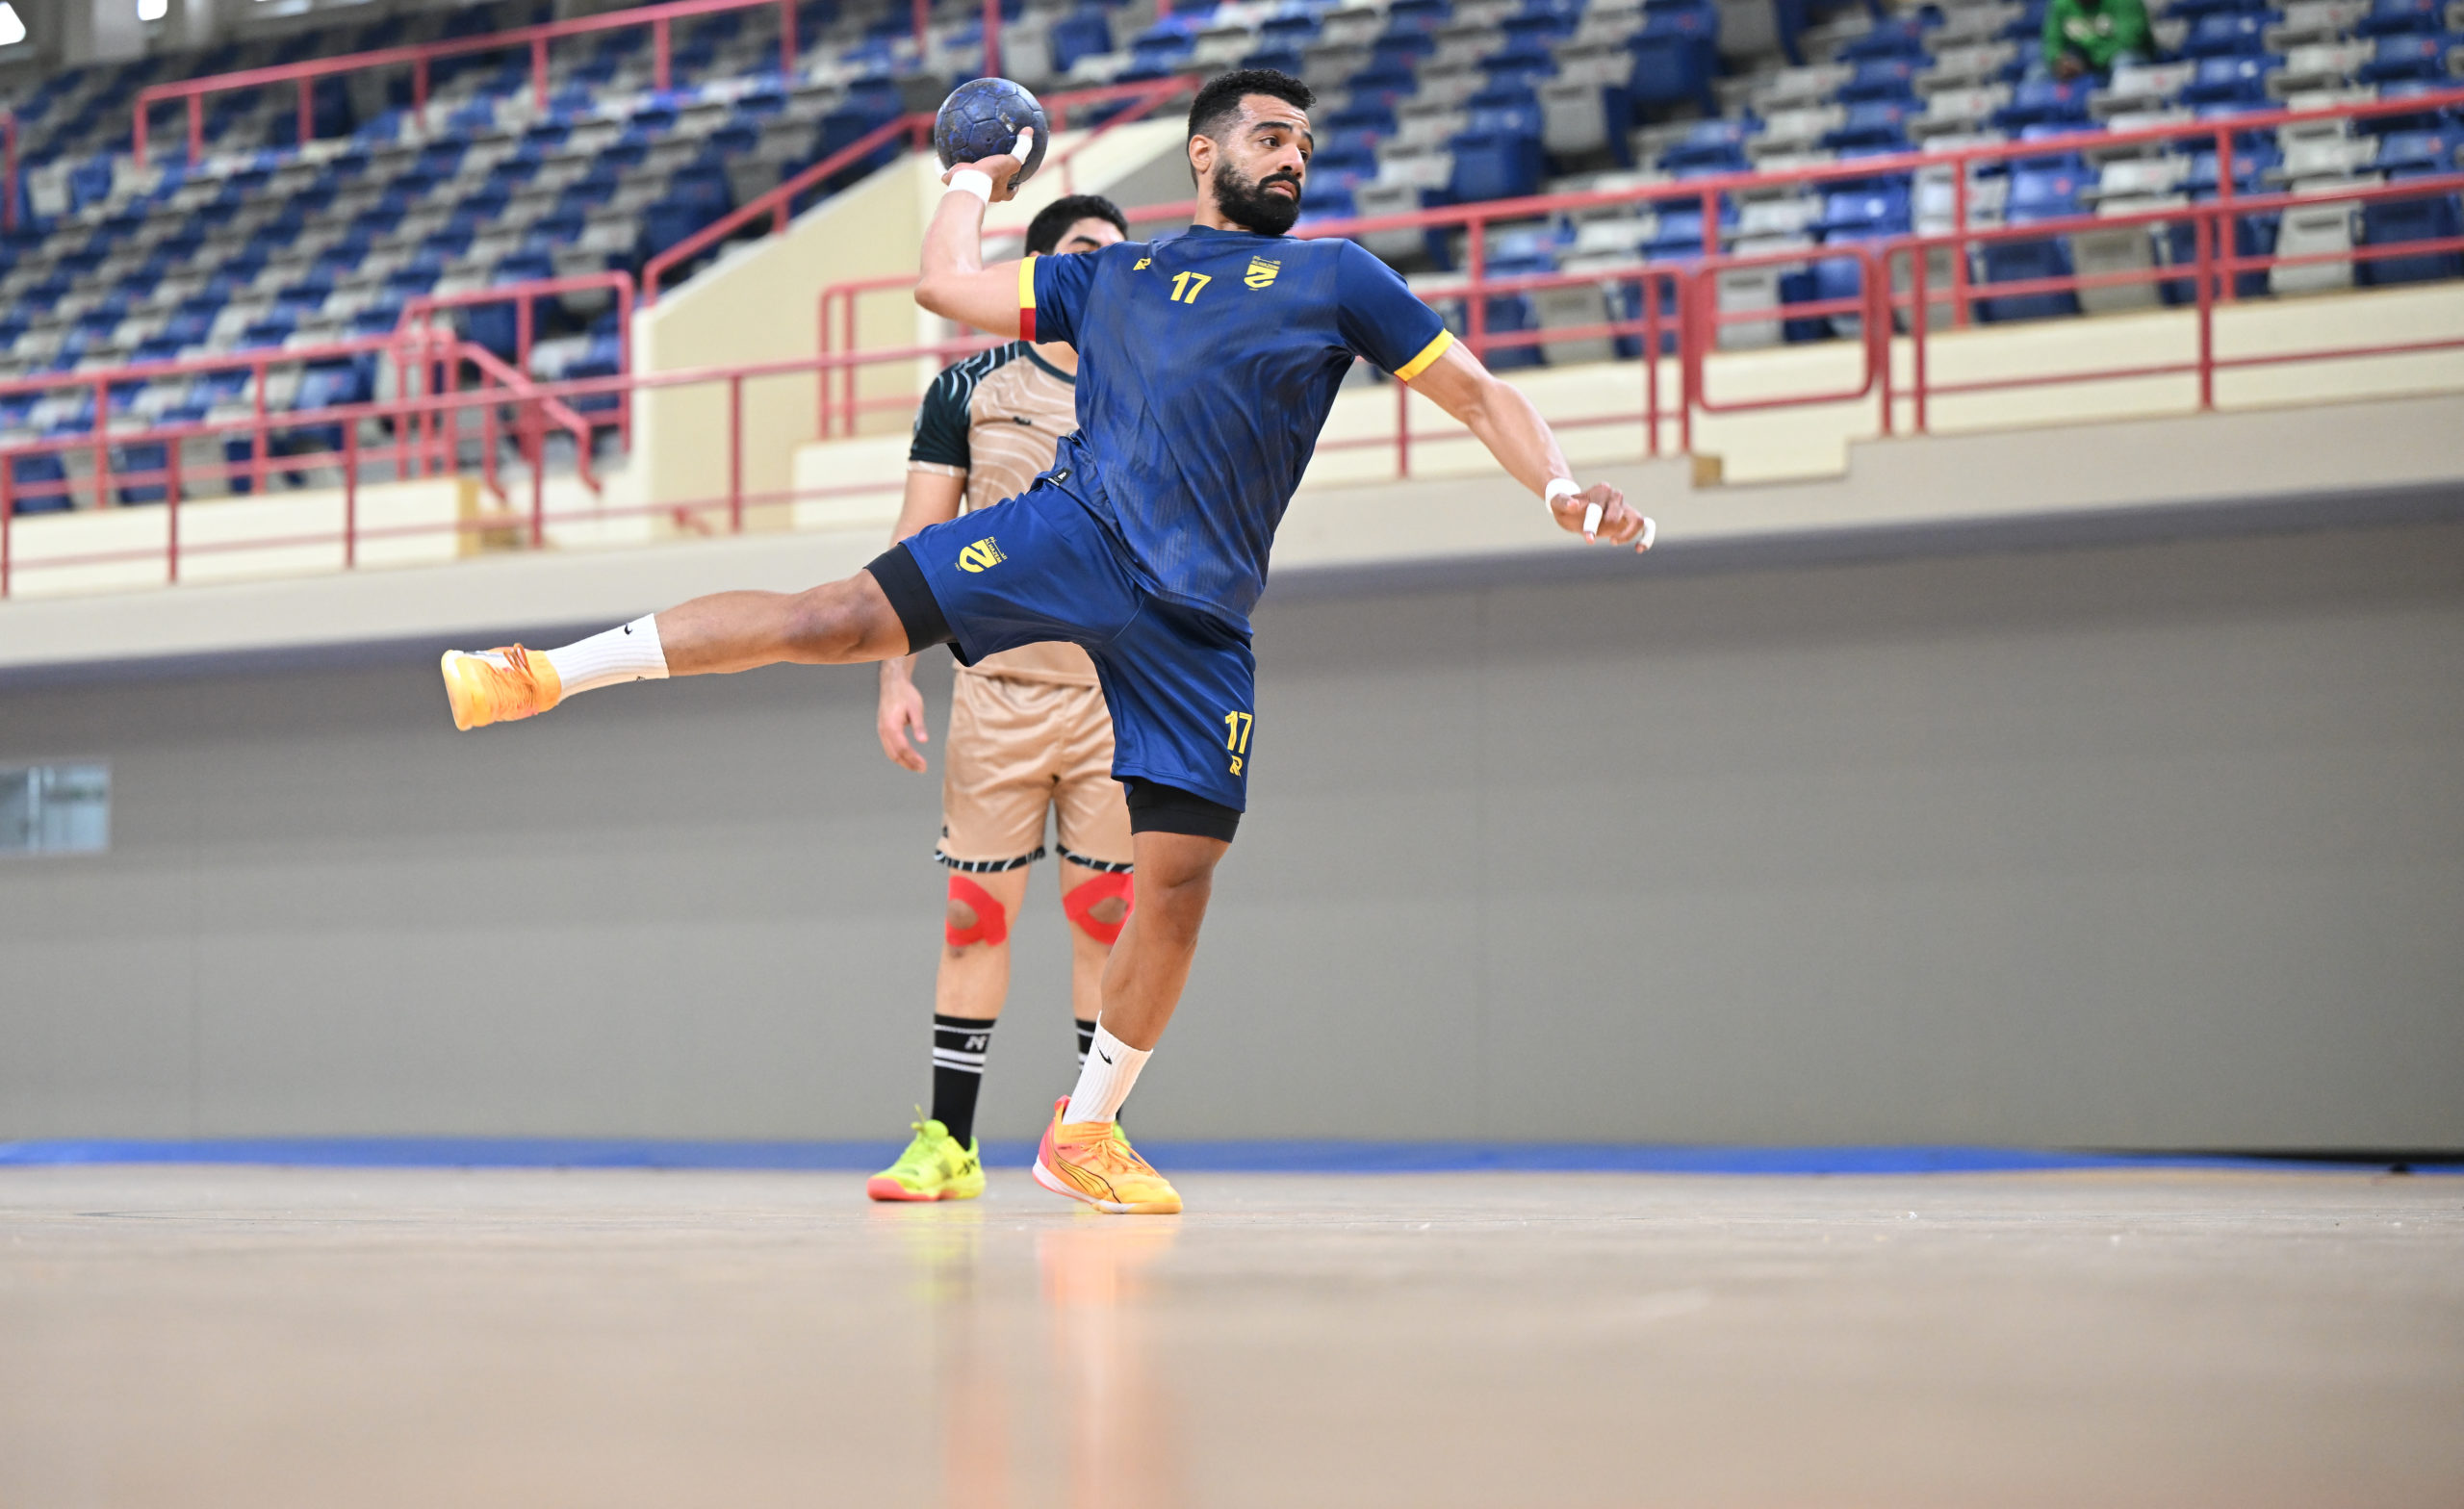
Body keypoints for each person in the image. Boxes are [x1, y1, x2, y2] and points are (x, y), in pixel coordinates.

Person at [435, 67, 1653, 1215]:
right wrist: (970, 178)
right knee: (833, 617)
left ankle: (1086, 1129)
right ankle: (540, 673)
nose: (1294, 157)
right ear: (1205, 153)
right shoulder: (1109, 275)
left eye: (1305, 144)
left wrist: (1556, 487)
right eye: (1271, 136)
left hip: (1198, 617)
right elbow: (944, 287)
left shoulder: (1336, 277)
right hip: (1075, 530)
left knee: (1175, 885)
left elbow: (1481, 391)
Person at [867, 192, 1137, 1205]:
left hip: (1114, 695)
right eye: (1085, 252)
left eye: (1118, 256)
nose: (1106, 270)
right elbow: (916, 541)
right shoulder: (969, 387)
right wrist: (894, 671)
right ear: (1041, 272)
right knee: (974, 914)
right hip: (997, 693)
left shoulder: (1151, 385)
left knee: (1107, 918)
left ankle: (1094, 1138)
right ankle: (950, 1142)